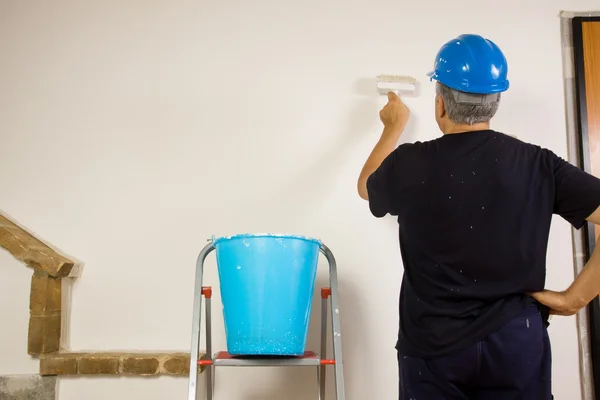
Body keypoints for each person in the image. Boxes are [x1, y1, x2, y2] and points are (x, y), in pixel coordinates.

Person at [357, 33, 600, 400]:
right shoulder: (537, 164)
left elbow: (366, 187)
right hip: (515, 340)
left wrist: (392, 129)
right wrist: (573, 299)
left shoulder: (410, 163)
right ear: (495, 102)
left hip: (432, 346)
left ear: (440, 104)